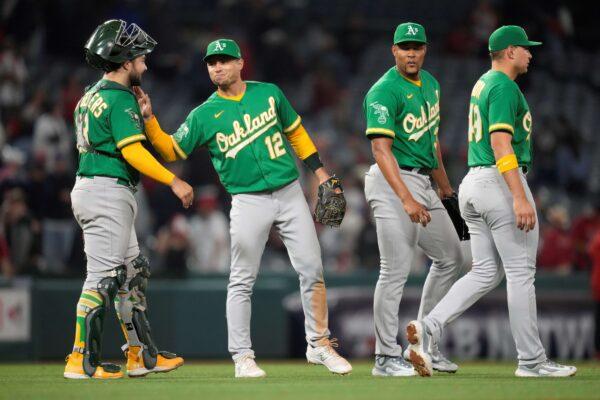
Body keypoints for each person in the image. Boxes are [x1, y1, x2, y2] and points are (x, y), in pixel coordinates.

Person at [135, 38, 352, 378]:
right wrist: (149, 121)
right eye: (211, 62)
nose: (217, 66)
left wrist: (320, 171)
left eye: (224, 60)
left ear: (240, 63)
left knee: (312, 269)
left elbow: (297, 133)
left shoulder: (269, 93)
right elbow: (171, 150)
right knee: (241, 280)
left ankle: (319, 345)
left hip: (289, 191)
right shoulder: (204, 114)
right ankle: (242, 357)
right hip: (248, 200)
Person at [406, 25, 576, 378]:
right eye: (526, 48)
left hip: (473, 183)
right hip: (499, 182)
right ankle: (531, 361)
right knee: (520, 273)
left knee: (486, 272)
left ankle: (429, 326)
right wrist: (518, 195)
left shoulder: (483, 82)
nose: (531, 53)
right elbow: (501, 142)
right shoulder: (503, 86)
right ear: (510, 51)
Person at [64, 19, 193, 380]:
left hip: (101, 188)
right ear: (124, 62)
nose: (145, 64)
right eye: (140, 58)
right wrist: (174, 180)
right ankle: (79, 360)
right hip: (105, 190)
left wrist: (147, 117)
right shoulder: (119, 98)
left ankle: (140, 354)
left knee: (132, 272)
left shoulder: (91, 94)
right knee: (102, 278)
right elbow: (133, 151)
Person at [363, 22, 472, 377]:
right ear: (393, 50)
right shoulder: (383, 91)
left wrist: (446, 188)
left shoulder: (432, 85)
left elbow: (432, 143)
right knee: (394, 270)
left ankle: (424, 344)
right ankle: (384, 357)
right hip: (392, 180)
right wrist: (407, 199)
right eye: (404, 47)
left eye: (417, 46)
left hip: (424, 179)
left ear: (425, 50)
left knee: (452, 256)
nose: (411, 53)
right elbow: (381, 150)